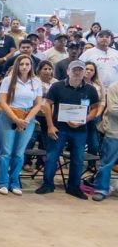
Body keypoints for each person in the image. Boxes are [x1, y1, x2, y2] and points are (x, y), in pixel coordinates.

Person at [37, 60, 102, 199]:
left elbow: (96, 108)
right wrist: (50, 126)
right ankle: (47, 184)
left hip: (80, 131)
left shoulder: (90, 89)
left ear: (85, 72)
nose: (77, 72)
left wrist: (84, 120)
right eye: (74, 69)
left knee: (78, 160)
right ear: (68, 71)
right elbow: (47, 105)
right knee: (51, 157)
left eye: (80, 69)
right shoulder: (57, 86)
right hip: (59, 129)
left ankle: (74, 187)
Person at [0, 55, 43, 196]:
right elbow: (2, 102)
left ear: (31, 66)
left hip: (27, 118)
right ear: (17, 65)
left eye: (27, 64)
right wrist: (16, 119)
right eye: (22, 64)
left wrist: (26, 120)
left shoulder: (36, 82)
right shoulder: (8, 80)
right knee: (6, 151)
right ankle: (2, 182)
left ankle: (14, 182)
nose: (25, 66)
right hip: (9, 116)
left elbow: (38, 104)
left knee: (19, 153)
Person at [92, 76, 118, 201]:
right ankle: (101, 189)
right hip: (114, 131)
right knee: (107, 162)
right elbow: (113, 110)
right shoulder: (114, 87)